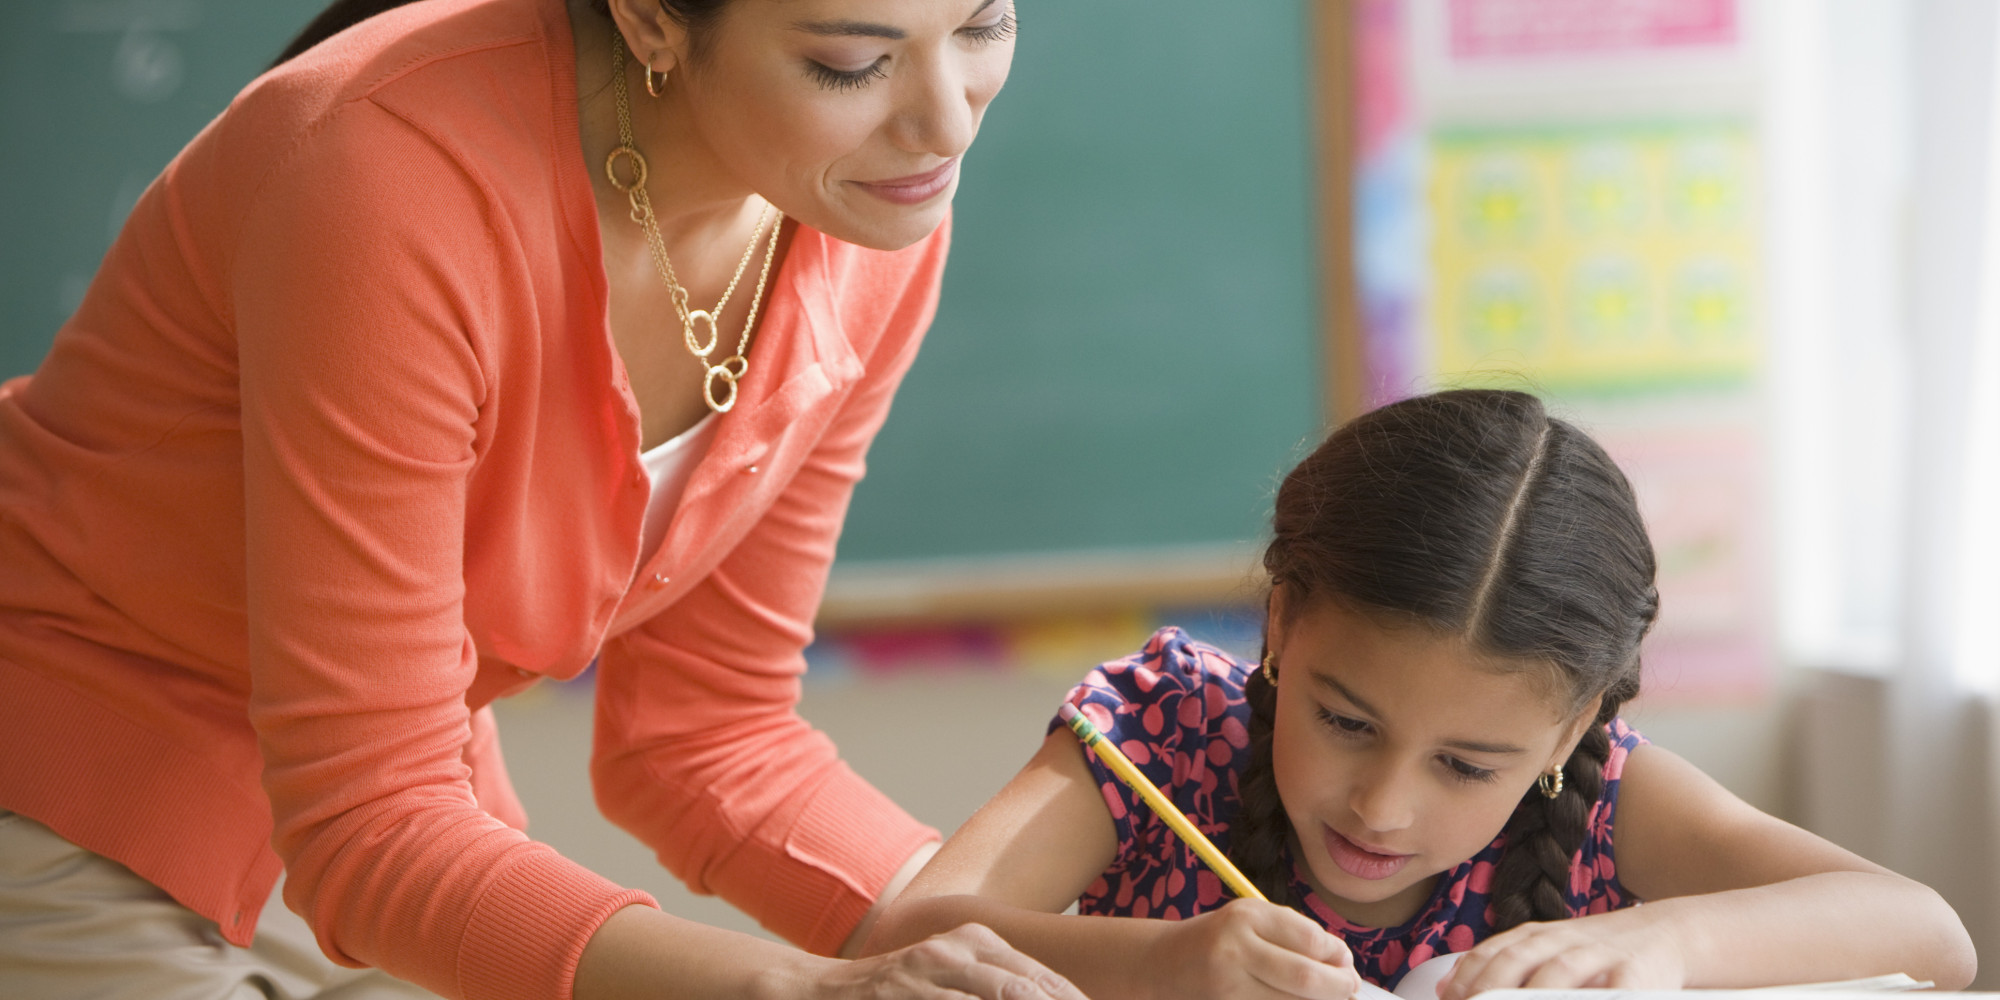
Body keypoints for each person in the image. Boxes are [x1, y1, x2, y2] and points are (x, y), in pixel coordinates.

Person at [0, 0, 1086, 998]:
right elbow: (368, 819)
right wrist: (801, 988)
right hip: (70, 771)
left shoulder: (862, 211)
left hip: (403, 822)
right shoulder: (388, 180)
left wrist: (1112, 951)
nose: (944, 124)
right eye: (851, 63)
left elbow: (708, 736)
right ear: (653, 18)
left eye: (984, 23)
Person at [864, 389, 1978, 1000]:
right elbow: (894, 937)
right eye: (1345, 721)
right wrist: (1159, 965)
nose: (1381, 806)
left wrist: (1666, 946)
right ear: (1280, 625)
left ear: (1575, 722)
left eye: (1464, 764)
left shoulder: (1603, 797)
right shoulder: (1161, 725)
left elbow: (1929, 935)